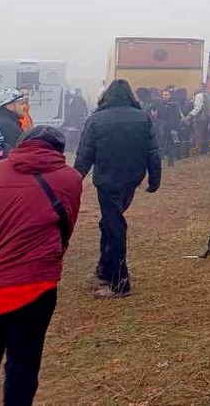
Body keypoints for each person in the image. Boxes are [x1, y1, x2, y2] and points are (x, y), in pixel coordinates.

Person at [0, 126, 82, 405]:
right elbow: (66, 225)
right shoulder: (70, 178)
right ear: (59, 150)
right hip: (35, 285)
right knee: (23, 364)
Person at [74, 80, 161, 298]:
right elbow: (153, 152)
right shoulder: (143, 118)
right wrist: (154, 179)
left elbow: (84, 155)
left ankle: (120, 282)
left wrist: (73, 181)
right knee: (110, 222)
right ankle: (104, 269)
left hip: (107, 181)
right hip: (132, 179)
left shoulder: (95, 120)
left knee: (114, 227)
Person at [187, 85, 210, 155]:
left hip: (201, 118)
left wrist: (190, 115)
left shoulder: (198, 96)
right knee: (205, 134)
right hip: (208, 117)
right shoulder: (208, 96)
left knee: (200, 134)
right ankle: (205, 150)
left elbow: (198, 108)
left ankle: (201, 150)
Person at [0, 90, 26, 161]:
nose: (25, 107)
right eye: (21, 104)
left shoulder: (5, 121)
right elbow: (15, 154)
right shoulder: (9, 126)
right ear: (10, 106)